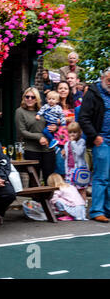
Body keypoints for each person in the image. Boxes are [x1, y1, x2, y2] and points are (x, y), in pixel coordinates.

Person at [78, 67, 110, 223]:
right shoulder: (93, 93)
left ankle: (108, 210)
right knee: (101, 176)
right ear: (103, 78)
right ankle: (97, 210)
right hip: (102, 139)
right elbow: (83, 118)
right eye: (109, 80)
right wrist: (95, 136)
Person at [15, 87, 56, 185]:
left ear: (37, 99)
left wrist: (55, 127)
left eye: (33, 97)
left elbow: (52, 121)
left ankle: (49, 200)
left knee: (49, 179)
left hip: (48, 148)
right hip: (32, 150)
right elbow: (22, 131)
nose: (29, 99)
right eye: (27, 96)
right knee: (34, 180)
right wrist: (39, 137)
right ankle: (34, 201)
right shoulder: (20, 111)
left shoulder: (44, 109)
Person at [54, 81, 76, 175]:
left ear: (69, 91)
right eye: (60, 88)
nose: (63, 90)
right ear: (57, 90)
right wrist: (67, 119)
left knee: (71, 172)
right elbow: (52, 121)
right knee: (61, 170)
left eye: (65, 88)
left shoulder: (72, 106)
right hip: (59, 142)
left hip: (71, 142)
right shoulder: (53, 105)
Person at [63, 122, 88, 201]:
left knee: (81, 189)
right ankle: (75, 205)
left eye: (74, 132)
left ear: (79, 132)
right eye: (70, 132)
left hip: (80, 170)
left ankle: (83, 206)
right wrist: (63, 155)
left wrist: (73, 142)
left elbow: (79, 152)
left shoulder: (81, 142)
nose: (72, 134)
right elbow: (67, 157)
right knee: (71, 190)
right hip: (70, 170)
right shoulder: (67, 144)